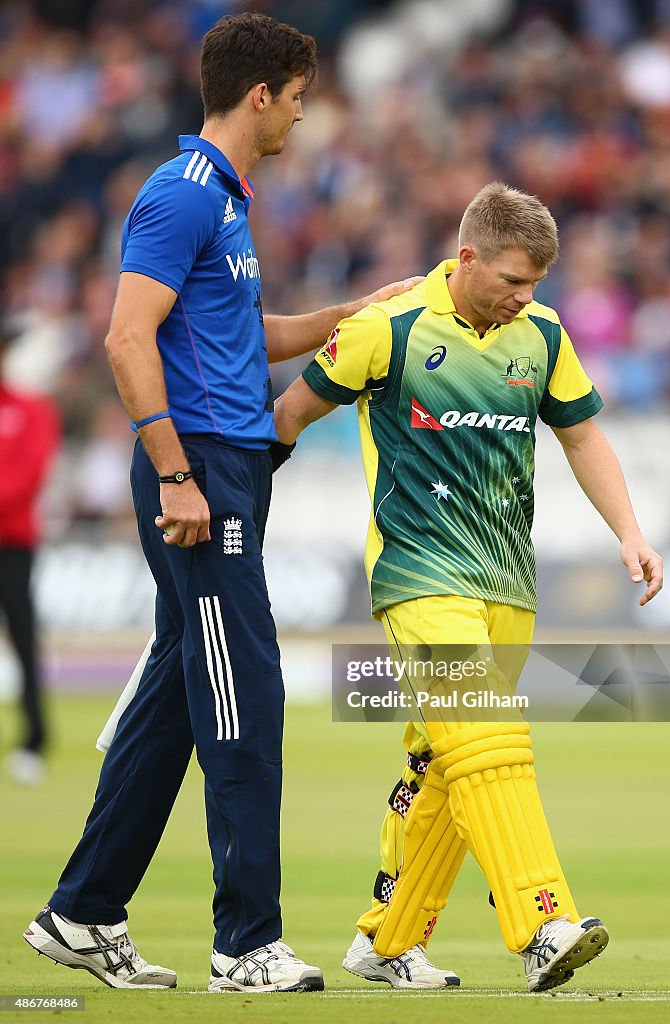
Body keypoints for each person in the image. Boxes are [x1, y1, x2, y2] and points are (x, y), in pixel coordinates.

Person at [23, 12, 417, 995]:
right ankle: (247, 941)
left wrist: (354, 314)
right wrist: (172, 471)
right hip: (196, 469)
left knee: (176, 698)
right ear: (261, 93)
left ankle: (82, 912)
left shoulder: (225, 204)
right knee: (246, 690)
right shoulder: (184, 192)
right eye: (295, 97)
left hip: (227, 467)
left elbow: (240, 332)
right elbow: (126, 337)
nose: (299, 114)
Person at [273, 181, 664, 992]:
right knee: (489, 737)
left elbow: (583, 438)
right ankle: (541, 920)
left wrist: (628, 531)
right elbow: (286, 419)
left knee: (448, 761)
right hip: (419, 572)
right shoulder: (389, 327)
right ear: (467, 258)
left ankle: (386, 942)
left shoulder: (544, 335)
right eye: (513, 281)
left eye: (535, 286)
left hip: (507, 581)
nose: (526, 298)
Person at [0, 322, 60, 785]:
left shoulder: (31, 409)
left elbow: (32, 475)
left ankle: (34, 736)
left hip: (13, 543)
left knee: (23, 638)